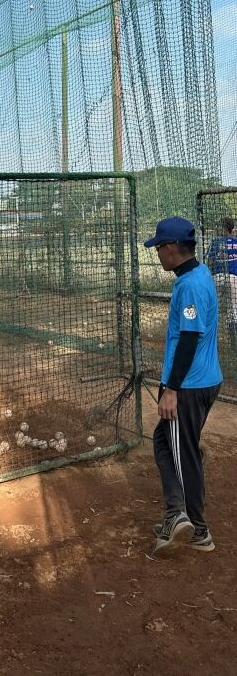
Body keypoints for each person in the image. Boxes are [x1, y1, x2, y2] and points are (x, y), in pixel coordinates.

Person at [144, 217, 222, 556]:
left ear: (171, 248)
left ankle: (197, 529)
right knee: (166, 443)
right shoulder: (198, 274)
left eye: (159, 247)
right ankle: (177, 514)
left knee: (181, 455)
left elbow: (190, 337)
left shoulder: (190, 284)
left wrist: (172, 390)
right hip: (202, 381)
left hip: (188, 386)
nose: (157, 253)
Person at [205, 216, 237, 331]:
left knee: (213, 306)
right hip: (234, 279)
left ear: (224, 228)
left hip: (217, 278)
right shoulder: (236, 242)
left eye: (219, 227)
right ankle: (233, 339)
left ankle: (210, 332)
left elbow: (209, 262)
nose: (218, 229)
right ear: (231, 229)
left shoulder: (216, 242)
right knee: (233, 309)